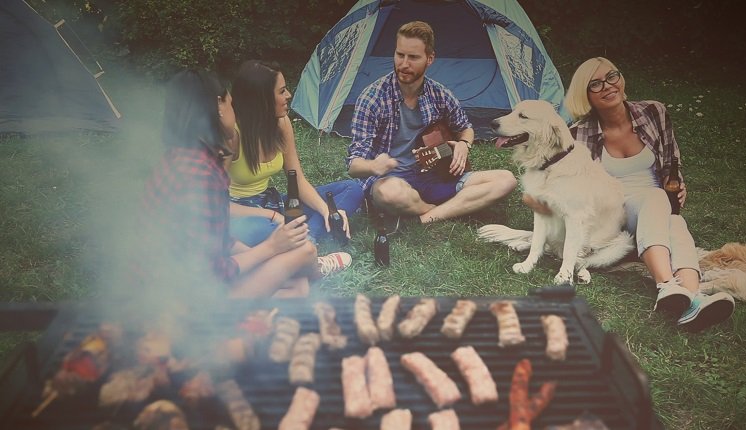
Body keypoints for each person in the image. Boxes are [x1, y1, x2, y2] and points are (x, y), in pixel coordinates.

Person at [559, 56, 734, 331]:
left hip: (657, 208)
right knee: (655, 198)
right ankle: (665, 284)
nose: (607, 86)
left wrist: (677, 184)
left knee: (675, 221)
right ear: (586, 95)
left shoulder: (654, 112)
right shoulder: (579, 134)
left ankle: (692, 299)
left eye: (612, 76)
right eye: (596, 84)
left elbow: (671, 162)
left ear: (621, 78)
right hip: (616, 213)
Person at [137, 69, 319, 299]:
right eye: (231, 104)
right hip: (183, 297)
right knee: (305, 252)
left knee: (298, 286)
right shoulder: (201, 175)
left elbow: (215, 239)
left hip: (172, 282)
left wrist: (263, 256)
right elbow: (211, 273)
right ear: (219, 107)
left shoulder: (182, 157)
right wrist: (270, 248)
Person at [347, 21, 517, 225]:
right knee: (387, 193)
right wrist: (374, 165)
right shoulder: (372, 99)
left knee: (506, 180)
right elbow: (354, 166)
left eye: (413, 57)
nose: (404, 64)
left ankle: (425, 217)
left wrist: (464, 145)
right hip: (394, 182)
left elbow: (465, 128)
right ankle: (444, 208)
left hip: (435, 177)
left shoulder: (440, 94)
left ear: (430, 59)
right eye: (400, 55)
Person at [227, 60, 362, 275]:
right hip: (242, 215)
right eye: (281, 91)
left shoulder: (281, 123)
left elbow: (296, 177)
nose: (289, 95)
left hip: (272, 202)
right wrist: (271, 217)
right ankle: (309, 254)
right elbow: (216, 205)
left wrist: (326, 210)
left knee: (353, 189)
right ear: (261, 100)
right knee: (270, 229)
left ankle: (306, 244)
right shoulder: (232, 136)